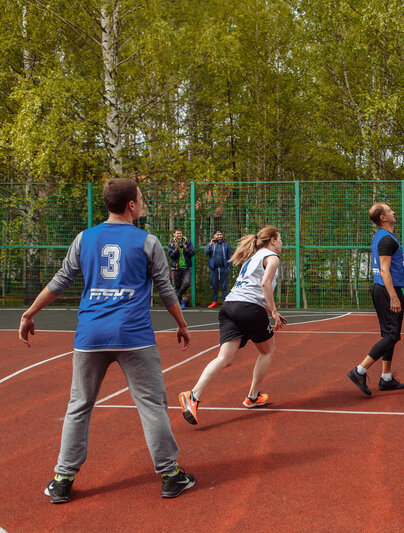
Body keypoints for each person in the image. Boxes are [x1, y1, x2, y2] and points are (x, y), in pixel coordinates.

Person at [18, 178, 195, 503]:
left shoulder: (84, 238)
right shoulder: (148, 241)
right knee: (152, 405)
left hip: (91, 335)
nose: (142, 204)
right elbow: (166, 289)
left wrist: (30, 312)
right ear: (131, 205)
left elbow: (61, 280)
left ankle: (62, 479)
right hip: (134, 336)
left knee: (78, 406)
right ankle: (170, 476)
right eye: (140, 199)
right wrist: (181, 324)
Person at [179, 226, 287, 425]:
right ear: (272, 240)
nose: (282, 243)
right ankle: (253, 396)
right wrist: (273, 311)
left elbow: (251, 290)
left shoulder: (251, 259)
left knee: (225, 358)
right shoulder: (272, 257)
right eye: (280, 239)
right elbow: (264, 285)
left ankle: (193, 395)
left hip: (229, 306)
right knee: (267, 351)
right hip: (248, 308)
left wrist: (269, 309)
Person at [347, 202, 404, 396]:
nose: (393, 211)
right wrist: (393, 297)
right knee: (392, 335)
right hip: (387, 290)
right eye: (389, 210)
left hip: (385, 289)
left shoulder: (383, 237)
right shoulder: (386, 240)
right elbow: (384, 270)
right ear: (383, 217)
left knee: (390, 335)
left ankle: (386, 378)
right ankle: (360, 371)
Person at [205, 230, 232, 308]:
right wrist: (210, 245)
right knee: (214, 285)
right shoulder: (211, 244)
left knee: (224, 286)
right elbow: (206, 253)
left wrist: (228, 266)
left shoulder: (226, 245)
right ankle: (214, 302)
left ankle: (224, 302)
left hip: (224, 268)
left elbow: (229, 256)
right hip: (214, 269)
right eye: (218, 235)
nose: (219, 236)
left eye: (220, 234)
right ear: (214, 236)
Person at [168, 229, 195, 308]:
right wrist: (175, 249)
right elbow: (171, 255)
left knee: (187, 283)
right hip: (176, 268)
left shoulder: (187, 242)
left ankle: (178, 295)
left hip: (186, 267)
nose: (179, 235)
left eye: (180, 233)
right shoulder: (171, 243)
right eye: (177, 233)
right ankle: (180, 303)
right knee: (177, 286)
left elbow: (192, 253)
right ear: (174, 234)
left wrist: (186, 249)